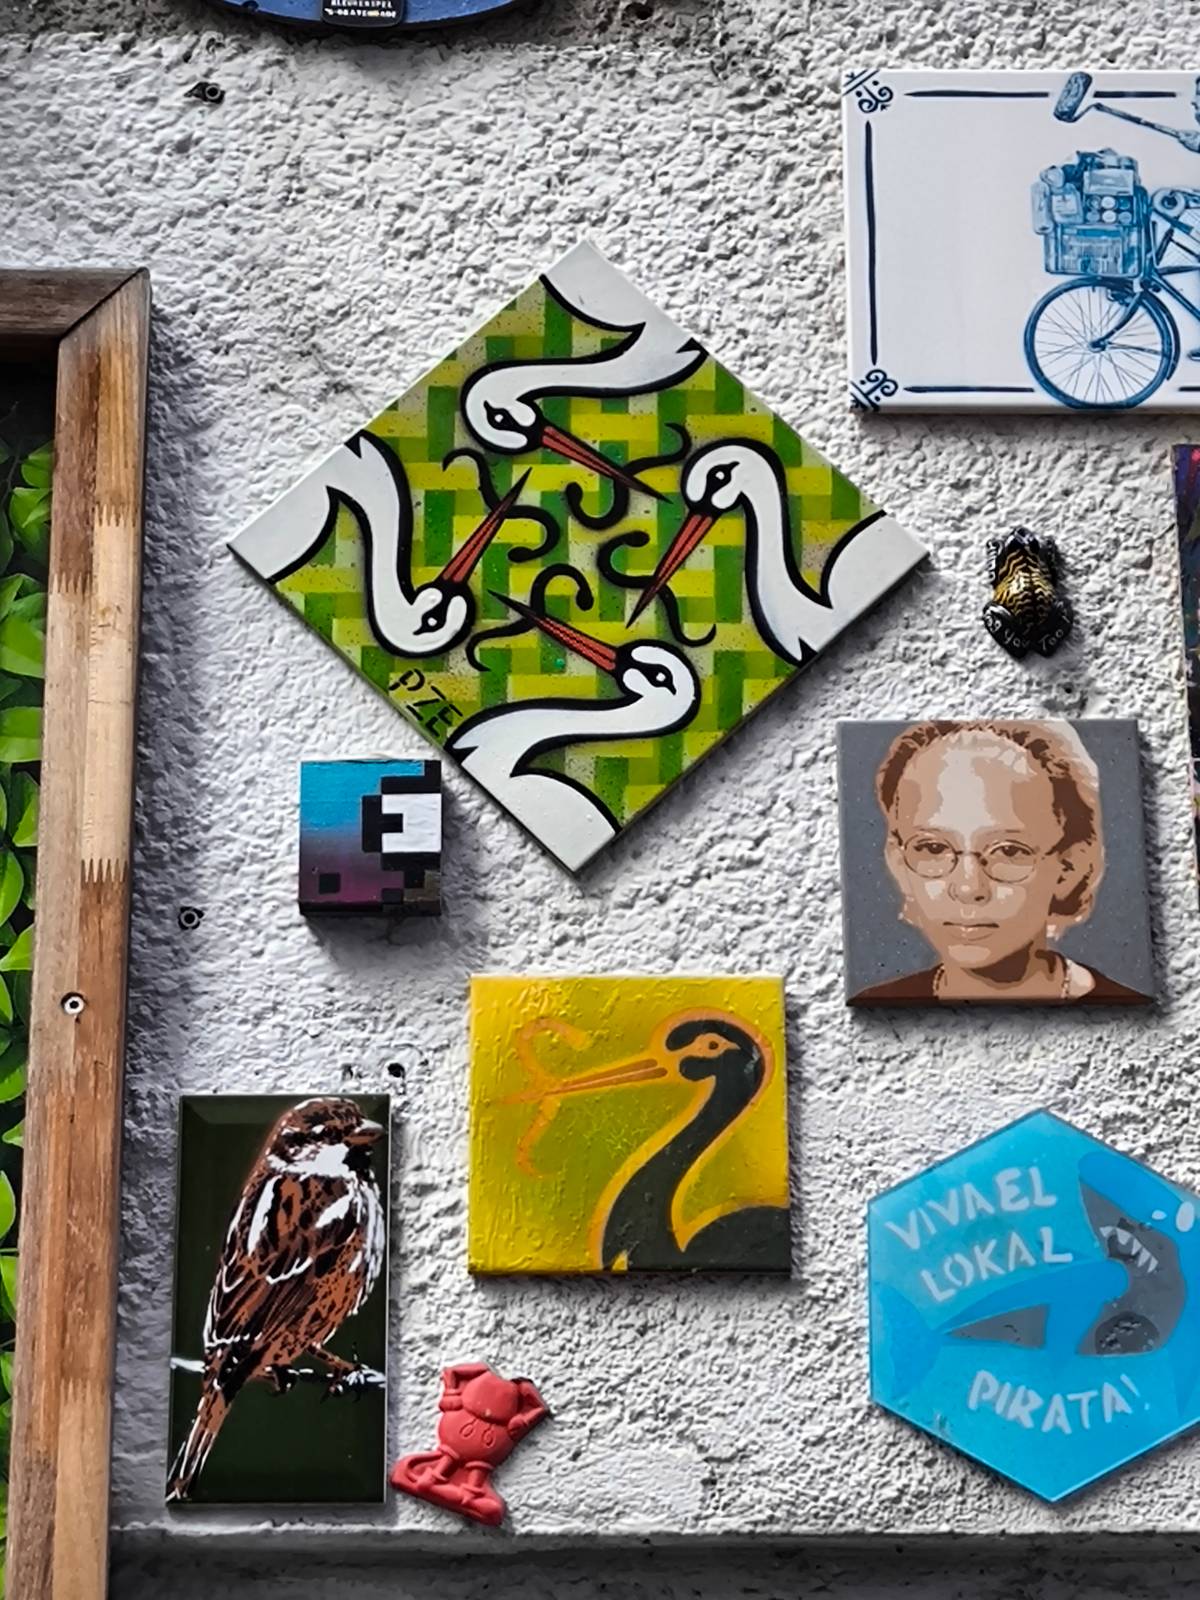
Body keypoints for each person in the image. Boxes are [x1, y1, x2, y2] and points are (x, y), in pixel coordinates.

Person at [854, 720, 1143, 1005]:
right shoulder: (877, 1008)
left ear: (1068, 868)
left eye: (1009, 851)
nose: (968, 888)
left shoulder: (1126, 1015)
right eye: (932, 847)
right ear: (899, 864)